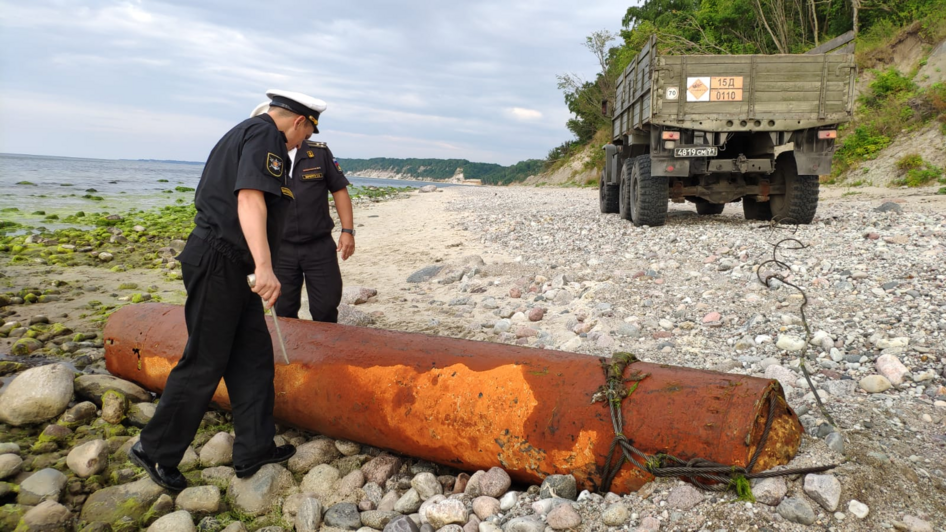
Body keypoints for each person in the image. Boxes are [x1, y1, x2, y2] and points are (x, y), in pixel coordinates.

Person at [130, 90, 323, 491]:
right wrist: (267, 269)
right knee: (205, 359)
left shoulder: (248, 133)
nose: (301, 144)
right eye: (304, 135)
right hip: (217, 260)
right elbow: (250, 199)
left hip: (235, 266)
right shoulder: (266, 135)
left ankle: (254, 446)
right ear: (299, 122)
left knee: (252, 356)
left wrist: (255, 267)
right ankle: (155, 449)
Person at [263, 99, 355, 323]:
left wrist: (347, 231)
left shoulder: (319, 153)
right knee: (283, 310)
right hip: (280, 247)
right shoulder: (265, 154)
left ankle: (326, 354)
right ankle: (292, 357)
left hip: (319, 246)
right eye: (307, 131)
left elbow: (339, 191)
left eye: (309, 133)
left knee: (325, 307)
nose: (307, 136)